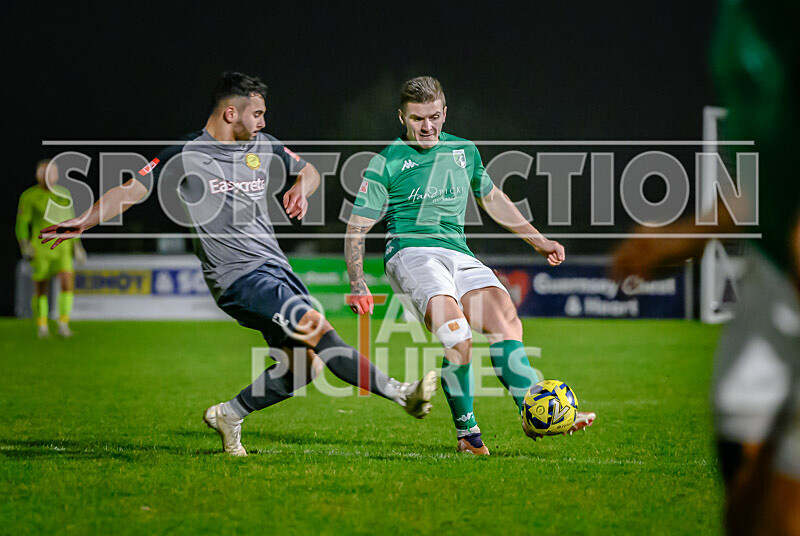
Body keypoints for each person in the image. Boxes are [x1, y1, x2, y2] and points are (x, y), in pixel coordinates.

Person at [41, 71, 437, 457]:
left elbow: (310, 170)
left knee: (304, 367)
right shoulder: (186, 154)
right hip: (238, 278)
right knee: (317, 329)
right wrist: (84, 220)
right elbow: (130, 191)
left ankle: (230, 415)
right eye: (258, 114)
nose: (264, 122)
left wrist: (302, 184)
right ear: (231, 113)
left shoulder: (263, 146)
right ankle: (401, 393)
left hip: (277, 271)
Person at [612, 0, 799, 532]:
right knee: (746, 494)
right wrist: (687, 234)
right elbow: (773, 165)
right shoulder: (737, 18)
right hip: (774, 278)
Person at [345, 76, 595, 455]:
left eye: (433, 116)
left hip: (459, 253)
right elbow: (357, 225)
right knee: (457, 336)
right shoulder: (387, 161)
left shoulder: (464, 151)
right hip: (411, 254)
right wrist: (357, 280)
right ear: (402, 118)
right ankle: (468, 434)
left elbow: (492, 198)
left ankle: (538, 411)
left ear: (445, 113)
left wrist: (539, 240)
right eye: (417, 119)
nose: (426, 126)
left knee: (506, 321)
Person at [16, 159, 86, 338]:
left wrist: (77, 246)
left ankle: (63, 323)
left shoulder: (64, 194)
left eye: (52, 173)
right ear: (38, 175)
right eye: (44, 173)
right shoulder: (29, 196)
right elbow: (22, 224)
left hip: (63, 247)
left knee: (67, 282)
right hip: (42, 247)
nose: (49, 177)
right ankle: (42, 325)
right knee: (41, 286)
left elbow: (72, 221)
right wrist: (25, 245)